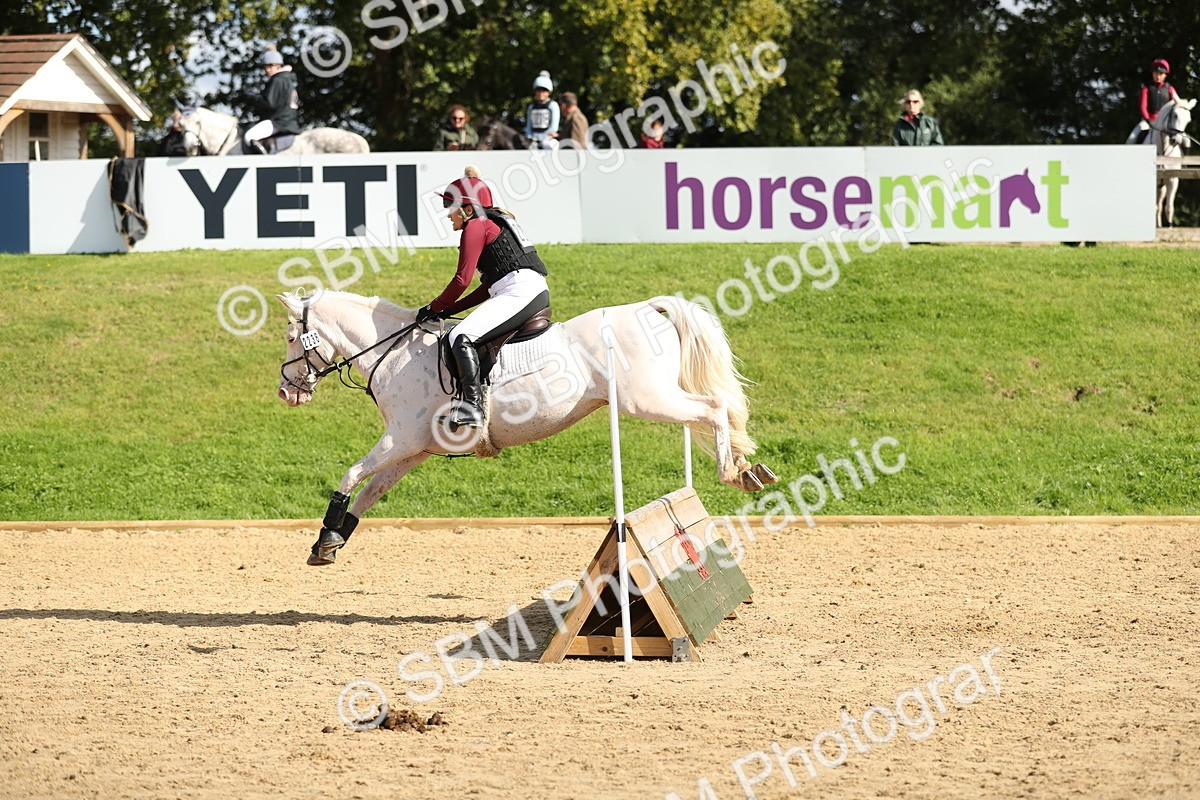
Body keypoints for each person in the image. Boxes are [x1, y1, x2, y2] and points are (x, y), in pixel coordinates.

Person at [417, 166, 550, 429]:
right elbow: (486, 288)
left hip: (520, 291)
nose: (448, 215)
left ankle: (472, 408)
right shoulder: (490, 223)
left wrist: (434, 307)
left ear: (466, 209)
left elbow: (461, 280)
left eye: (450, 207)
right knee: (463, 332)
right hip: (527, 289)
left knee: (459, 337)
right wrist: (448, 310)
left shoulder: (476, 225)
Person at [243, 46, 300, 154]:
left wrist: (251, 97)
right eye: (265, 67)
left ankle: (264, 163)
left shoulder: (278, 80)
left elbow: (269, 103)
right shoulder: (287, 79)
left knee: (249, 136)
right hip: (289, 121)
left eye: (270, 66)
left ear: (278, 65)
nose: (267, 70)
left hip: (279, 122)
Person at [1129, 59, 1180, 144]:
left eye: (1161, 74)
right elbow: (1143, 107)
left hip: (1166, 123)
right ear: (1152, 74)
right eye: (1156, 73)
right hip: (1148, 121)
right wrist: (1148, 120)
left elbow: (1176, 105)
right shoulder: (1146, 89)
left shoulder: (1170, 89)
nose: (1158, 76)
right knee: (1131, 139)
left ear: (1165, 75)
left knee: (1186, 140)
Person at [525, 71, 560, 149]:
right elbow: (529, 125)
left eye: (544, 91)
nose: (540, 93)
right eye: (538, 90)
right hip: (533, 137)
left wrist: (543, 137)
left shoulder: (553, 105)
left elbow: (554, 126)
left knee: (551, 146)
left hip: (548, 138)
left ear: (549, 92)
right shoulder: (532, 106)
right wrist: (530, 136)